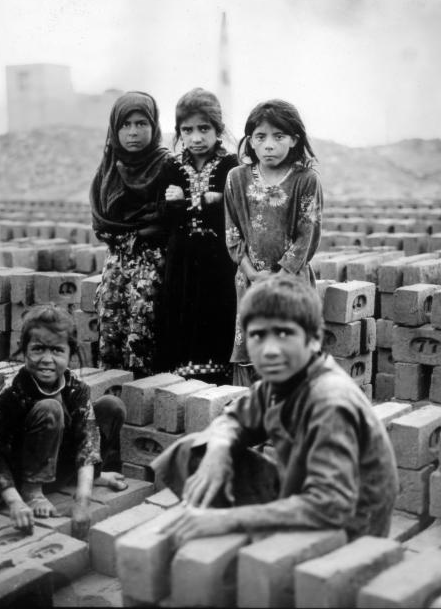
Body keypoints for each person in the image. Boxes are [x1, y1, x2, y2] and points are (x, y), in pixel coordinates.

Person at [153, 275, 398, 544]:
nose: (269, 351)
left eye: (284, 333)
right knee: (195, 452)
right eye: (258, 335)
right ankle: (220, 546)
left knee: (258, 548)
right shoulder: (279, 382)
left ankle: (247, 552)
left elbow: (331, 505)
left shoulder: (329, 401)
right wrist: (219, 449)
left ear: (315, 339)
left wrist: (228, 520)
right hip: (303, 492)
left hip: (349, 529)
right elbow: (236, 417)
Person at [0, 305, 129, 539]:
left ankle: (92, 476)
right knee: (50, 408)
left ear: (70, 354)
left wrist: (82, 500)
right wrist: (15, 502)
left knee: (111, 406)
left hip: (59, 465)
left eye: (57, 351)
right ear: (24, 351)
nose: (47, 360)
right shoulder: (13, 391)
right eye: (38, 349)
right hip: (19, 474)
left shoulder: (75, 388)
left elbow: (87, 442)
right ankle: (34, 490)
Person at [224, 99, 323, 386]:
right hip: (250, 281)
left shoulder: (306, 180)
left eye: (278, 136)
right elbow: (232, 232)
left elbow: (309, 234)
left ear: (294, 139)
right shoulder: (236, 178)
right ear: (250, 142)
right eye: (261, 136)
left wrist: (280, 276)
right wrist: (253, 274)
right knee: (252, 346)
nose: (269, 144)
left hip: (291, 281)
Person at [90, 91, 183, 376]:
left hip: (153, 265)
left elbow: (173, 219)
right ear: (115, 128)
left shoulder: (168, 165)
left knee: (142, 335)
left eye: (141, 123)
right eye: (125, 124)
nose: (133, 132)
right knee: (110, 333)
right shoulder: (108, 168)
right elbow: (103, 220)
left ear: (154, 126)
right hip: (116, 263)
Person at [158, 88, 239, 384]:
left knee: (217, 313)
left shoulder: (232, 166)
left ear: (218, 129)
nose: (196, 137)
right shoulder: (172, 166)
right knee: (182, 315)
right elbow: (164, 215)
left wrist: (208, 202)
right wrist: (180, 202)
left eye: (203, 128)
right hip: (181, 260)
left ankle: (218, 381)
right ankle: (181, 383)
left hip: (219, 261)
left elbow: (236, 210)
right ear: (179, 132)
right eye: (187, 130)